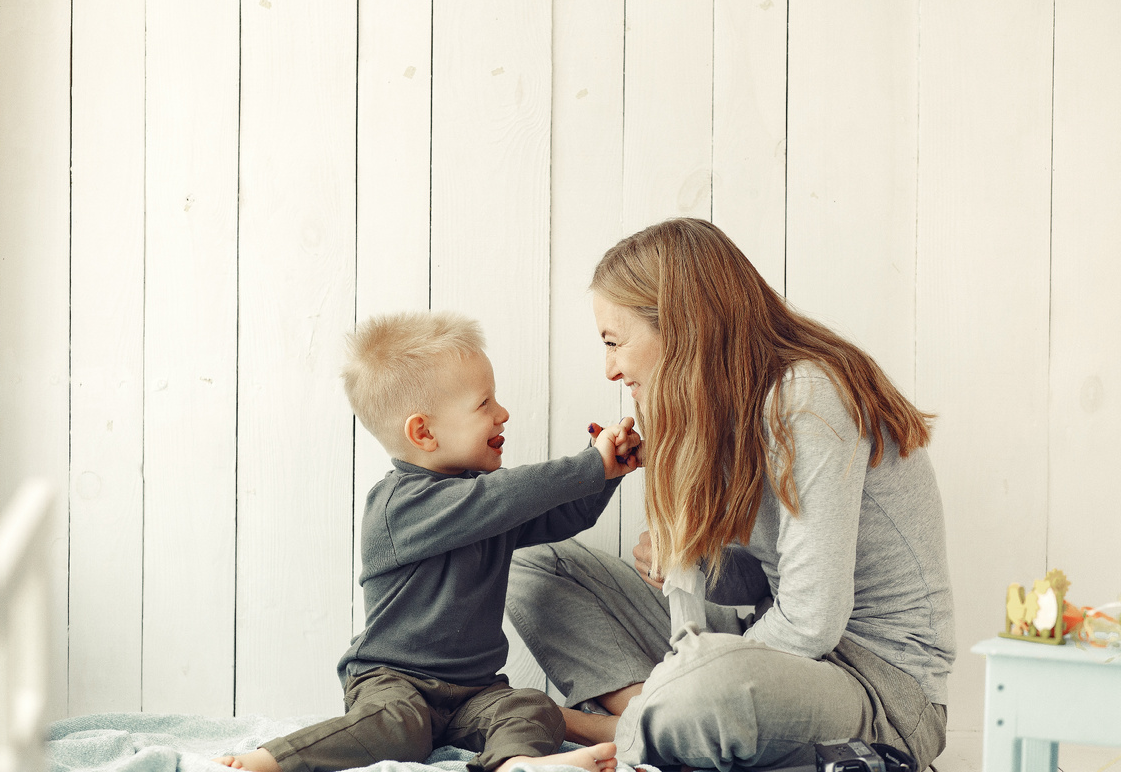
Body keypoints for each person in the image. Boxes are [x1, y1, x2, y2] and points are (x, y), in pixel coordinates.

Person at [506, 218, 956, 771]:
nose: (611, 369)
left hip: (878, 690)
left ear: (679, 325)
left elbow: (812, 621)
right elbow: (770, 579)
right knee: (534, 565)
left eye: (614, 343)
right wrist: (691, 562)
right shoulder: (731, 404)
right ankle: (661, 717)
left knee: (708, 685)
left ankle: (620, 725)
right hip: (781, 658)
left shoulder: (808, 395)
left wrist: (698, 670)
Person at [214, 311, 639, 772]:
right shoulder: (401, 505)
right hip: (394, 681)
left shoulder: (483, 503)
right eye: (484, 404)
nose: (502, 413)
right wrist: (588, 466)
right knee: (397, 725)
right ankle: (268, 760)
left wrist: (608, 471)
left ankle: (516, 763)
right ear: (423, 432)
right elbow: (500, 497)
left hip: (475, 691)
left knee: (530, 706)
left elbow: (563, 515)